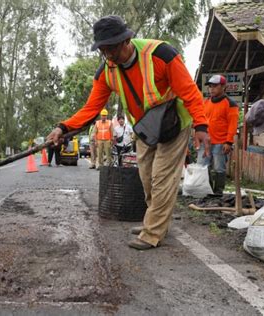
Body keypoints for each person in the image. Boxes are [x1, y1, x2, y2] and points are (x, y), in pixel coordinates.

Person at [47, 15, 208, 250]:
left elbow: (190, 92)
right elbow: (91, 108)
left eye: (112, 48)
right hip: (146, 129)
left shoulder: (160, 55)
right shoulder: (106, 72)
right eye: (103, 51)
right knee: (146, 178)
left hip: (174, 123)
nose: (109, 56)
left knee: (162, 178)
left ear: (126, 40)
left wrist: (201, 125)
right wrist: (63, 127)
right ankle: (156, 220)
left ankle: (152, 232)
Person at [196, 75, 239, 195]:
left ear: (223, 87)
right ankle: (207, 190)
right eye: (210, 86)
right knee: (203, 166)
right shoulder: (206, 102)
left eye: (215, 86)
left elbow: (233, 125)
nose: (211, 89)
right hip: (206, 141)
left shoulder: (230, 104)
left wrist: (229, 142)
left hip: (221, 142)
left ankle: (218, 191)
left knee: (219, 168)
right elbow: (201, 120)